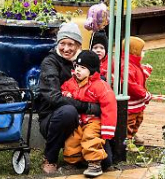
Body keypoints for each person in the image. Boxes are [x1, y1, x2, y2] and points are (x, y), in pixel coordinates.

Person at [35, 22, 101, 175]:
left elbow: (98, 80)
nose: (66, 48)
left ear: (78, 45)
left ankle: (91, 155)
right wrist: (88, 107)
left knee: (108, 161)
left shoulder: (84, 60)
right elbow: (54, 97)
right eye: (62, 43)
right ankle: (50, 158)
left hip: (85, 119)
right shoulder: (50, 62)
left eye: (71, 44)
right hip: (53, 118)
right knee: (68, 112)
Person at [60, 51, 117, 178]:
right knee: (73, 139)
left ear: (91, 70)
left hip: (94, 120)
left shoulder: (100, 86)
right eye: (76, 66)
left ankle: (95, 164)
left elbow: (109, 107)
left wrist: (108, 130)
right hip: (79, 119)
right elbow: (64, 88)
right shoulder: (72, 82)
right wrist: (65, 94)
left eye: (83, 68)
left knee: (90, 138)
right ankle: (72, 161)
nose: (78, 70)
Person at [124, 36, 153, 146]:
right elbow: (131, 84)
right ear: (134, 51)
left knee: (138, 119)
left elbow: (138, 78)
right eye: (142, 50)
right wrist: (144, 94)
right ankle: (127, 142)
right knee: (129, 122)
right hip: (131, 103)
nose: (143, 52)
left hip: (138, 103)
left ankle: (133, 135)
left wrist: (145, 72)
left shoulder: (135, 64)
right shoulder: (127, 66)